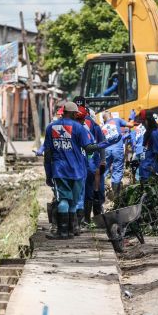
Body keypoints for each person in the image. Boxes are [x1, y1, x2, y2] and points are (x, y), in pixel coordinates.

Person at [43, 102, 117, 239]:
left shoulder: (50, 127)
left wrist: (48, 173)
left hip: (60, 170)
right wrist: (107, 143)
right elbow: (89, 148)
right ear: (74, 114)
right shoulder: (78, 127)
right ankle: (71, 231)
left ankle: (63, 232)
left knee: (63, 200)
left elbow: (47, 153)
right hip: (77, 171)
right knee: (73, 201)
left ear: (63, 112)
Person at [74, 96, 105, 225]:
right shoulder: (92, 123)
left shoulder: (69, 123)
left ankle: (81, 219)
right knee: (92, 190)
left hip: (79, 163)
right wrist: (102, 160)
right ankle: (89, 218)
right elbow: (101, 142)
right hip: (90, 163)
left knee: (80, 192)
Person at [101, 110, 130, 197]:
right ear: (111, 116)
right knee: (117, 170)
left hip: (107, 151)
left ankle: (101, 192)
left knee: (104, 171)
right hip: (117, 150)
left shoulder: (102, 127)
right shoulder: (117, 120)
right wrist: (132, 119)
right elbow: (130, 125)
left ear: (104, 119)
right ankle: (116, 195)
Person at [138, 110, 158, 183]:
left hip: (150, 170)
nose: (142, 124)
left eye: (143, 122)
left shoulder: (154, 133)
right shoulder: (148, 132)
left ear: (148, 120)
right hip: (144, 169)